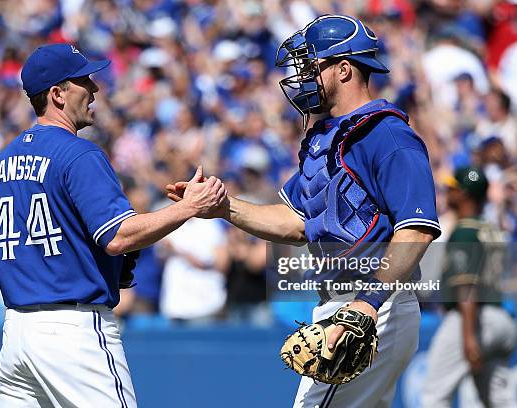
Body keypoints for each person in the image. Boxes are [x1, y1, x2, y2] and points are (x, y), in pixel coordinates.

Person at [168, 14, 440, 407]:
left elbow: (416, 231)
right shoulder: (327, 135)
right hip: (346, 304)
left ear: (344, 69)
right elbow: (295, 222)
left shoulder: (389, 135)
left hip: (370, 305)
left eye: (313, 66)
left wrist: (366, 304)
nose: (303, 76)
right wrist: (224, 207)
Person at [0, 43, 226, 407]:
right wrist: (188, 207)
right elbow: (117, 237)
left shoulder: (3, 161)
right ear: (57, 94)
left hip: (16, 333)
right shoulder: (79, 153)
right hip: (72, 331)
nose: (94, 89)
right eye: (83, 81)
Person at [422, 167, 516, 408]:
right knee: (496, 399)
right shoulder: (491, 229)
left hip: (471, 318)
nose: (448, 192)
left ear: (465, 194)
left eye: (453, 188)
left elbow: (466, 287)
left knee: (434, 395)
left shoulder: (464, 232)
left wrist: (468, 337)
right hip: (500, 318)